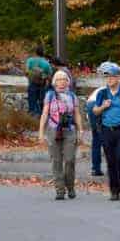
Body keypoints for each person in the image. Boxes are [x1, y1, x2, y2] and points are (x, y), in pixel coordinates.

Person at [93, 61, 120, 201]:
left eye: (112, 77)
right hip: (106, 130)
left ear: (118, 78)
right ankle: (114, 189)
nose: (109, 80)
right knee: (110, 160)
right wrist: (103, 107)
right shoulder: (102, 93)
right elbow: (95, 111)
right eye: (107, 77)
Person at [39, 69, 83, 200]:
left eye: (64, 79)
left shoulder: (72, 96)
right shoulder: (50, 95)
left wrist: (80, 131)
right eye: (58, 79)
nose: (61, 82)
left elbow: (77, 114)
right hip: (53, 130)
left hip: (69, 130)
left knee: (70, 160)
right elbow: (44, 114)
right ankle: (59, 189)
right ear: (54, 82)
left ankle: (70, 186)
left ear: (68, 82)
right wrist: (41, 133)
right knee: (56, 161)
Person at [25, 45, 53, 116]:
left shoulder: (30, 60)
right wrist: (43, 76)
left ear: (35, 52)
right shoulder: (46, 63)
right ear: (43, 53)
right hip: (42, 85)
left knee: (31, 104)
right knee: (41, 103)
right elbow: (50, 77)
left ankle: (31, 118)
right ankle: (40, 120)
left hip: (32, 84)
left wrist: (31, 75)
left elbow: (26, 72)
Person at [85, 86, 105, 177]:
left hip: (90, 105)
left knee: (96, 139)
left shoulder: (99, 90)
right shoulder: (115, 90)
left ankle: (95, 169)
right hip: (98, 105)